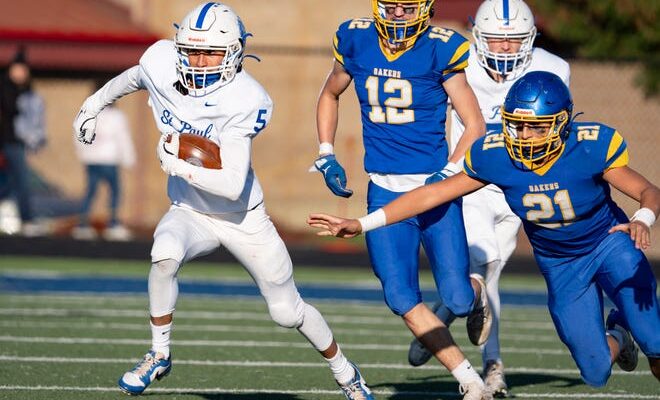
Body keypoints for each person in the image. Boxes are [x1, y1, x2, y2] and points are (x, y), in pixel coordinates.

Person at [73, 3, 373, 399]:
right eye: (193, 50)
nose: (199, 61)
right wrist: (93, 105)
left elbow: (232, 183)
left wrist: (178, 166)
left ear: (234, 52)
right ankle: (159, 354)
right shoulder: (162, 60)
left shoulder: (245, 98)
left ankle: (344, 370)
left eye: (211, 52)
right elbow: (135, 77)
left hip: (242, 217)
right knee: (163, 256)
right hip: (190, 211)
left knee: (287, 312)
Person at [309, 71, 660, 389]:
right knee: (595, 372)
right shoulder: (498, 156)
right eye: (517, 126)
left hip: (609, 244)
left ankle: (637, 330)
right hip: (561, 263)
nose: (525, 137)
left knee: (656, 340)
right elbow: (431, 194)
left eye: (537, 127)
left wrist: (643, 218)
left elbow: (649, 192)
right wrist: (361, 223)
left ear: (561, 124)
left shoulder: (589, 146)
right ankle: (619, 331)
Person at [314, 1, 493, 398]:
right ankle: (468, 379)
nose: (398, 15)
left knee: (459, 300)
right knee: (399, 297)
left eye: (407, 7)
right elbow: (330, 93)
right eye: (391, 6)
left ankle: (477, 290)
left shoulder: (440, 47)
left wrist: (447, 173)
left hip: (433, 188)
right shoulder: (356, 39)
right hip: (383, 186)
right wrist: (325, 152)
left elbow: (474, 123)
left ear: (425, 9)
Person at [407, 0, 571, 396]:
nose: (504, 49)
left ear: (529, 40)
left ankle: (443, 314)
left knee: (488, 272)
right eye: (495, 40)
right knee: (487, 264)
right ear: (478, 37)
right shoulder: (457, 62)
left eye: (513, 41)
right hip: (472, 180)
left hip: (518, 185)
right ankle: (493, 366)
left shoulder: (554, 68)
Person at [72, 100, 136, 241]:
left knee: (91, 192)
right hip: (109, 159)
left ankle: (83, 225)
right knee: (114, 192)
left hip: (92, 159)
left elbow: (78, 134)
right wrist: (129, 159)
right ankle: (113, 224)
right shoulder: (116, 116)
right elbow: (122, 138)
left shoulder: (87, 113)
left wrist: (83, 153)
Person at [0, 47, 47, 237]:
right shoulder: (6, 89)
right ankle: (27, 219)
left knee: (10, 183)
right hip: (9, 141)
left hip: (18, 142)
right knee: (22, 181)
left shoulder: (27, 91)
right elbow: (11, 110)